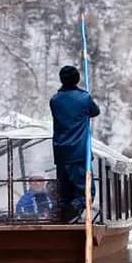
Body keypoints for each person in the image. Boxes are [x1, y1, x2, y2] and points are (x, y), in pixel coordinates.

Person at [49, 65, 100, 221]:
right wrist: (86, 95)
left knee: (65, 192)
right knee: (86, 193)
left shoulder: (54, 100)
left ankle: (65, 218)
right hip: (79, 152)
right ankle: (74, 213)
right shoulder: (84, 98)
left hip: (61, 153)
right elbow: (95, 111)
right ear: (77, 79)